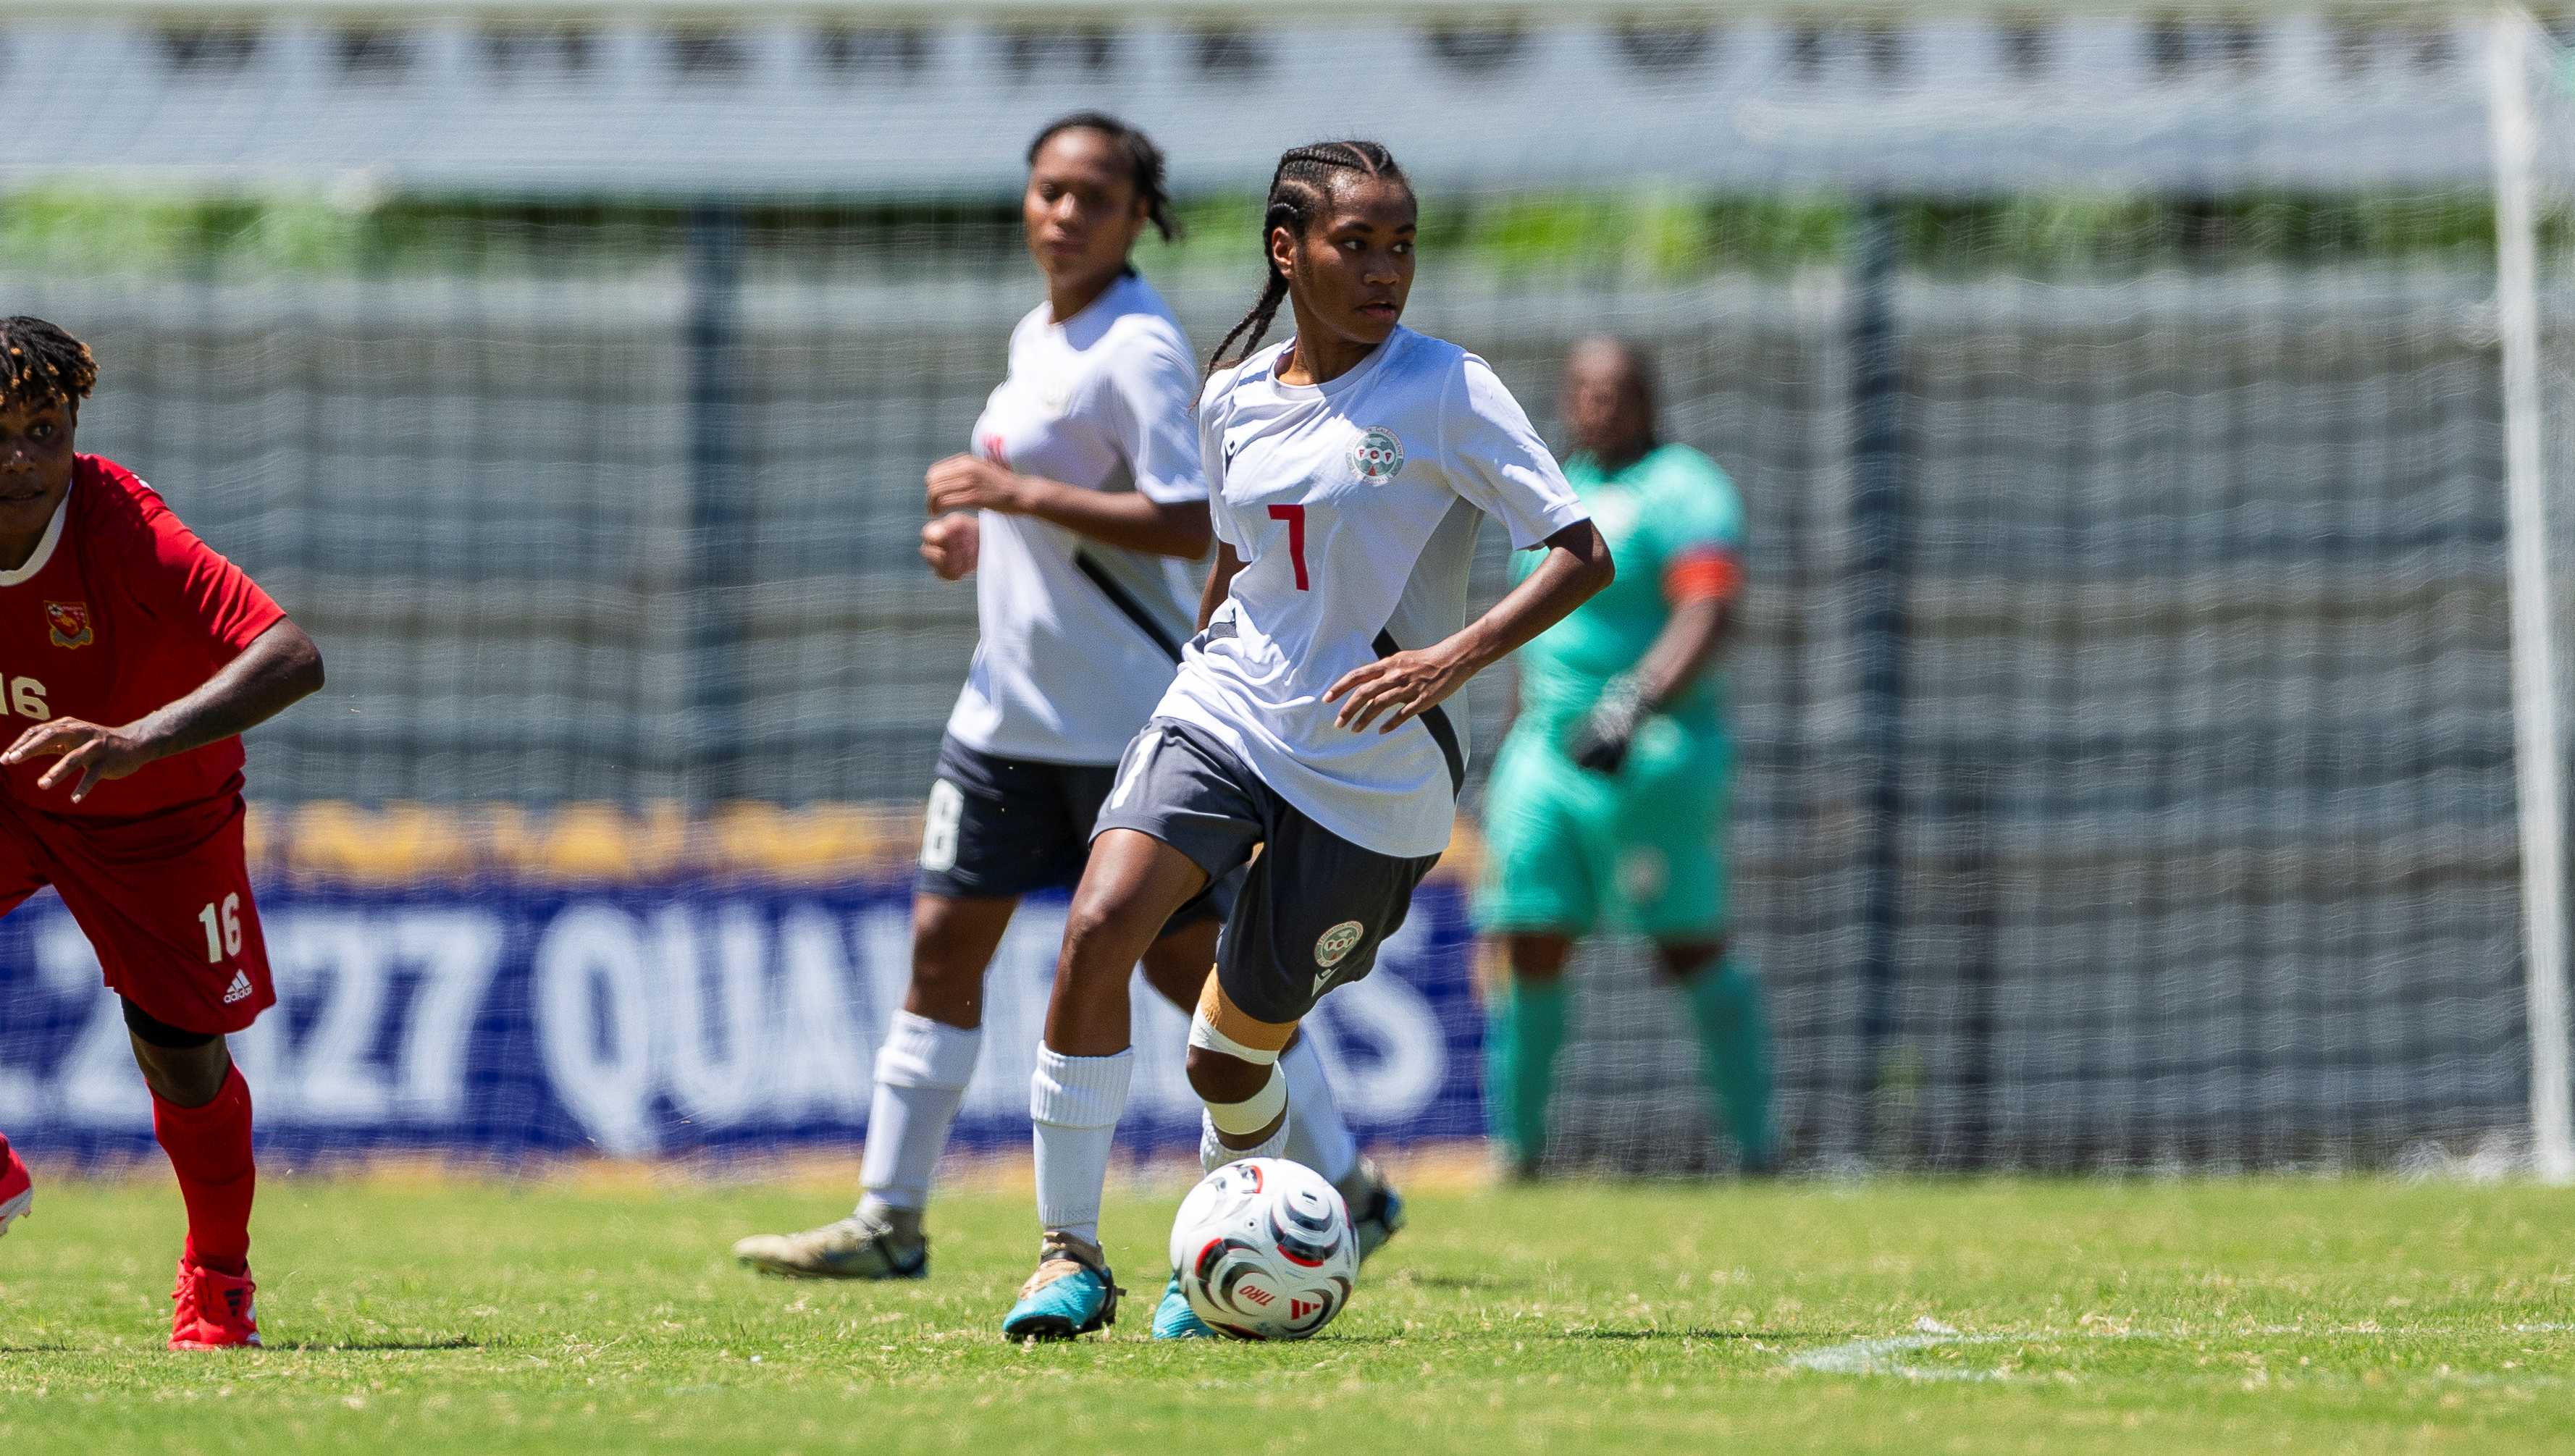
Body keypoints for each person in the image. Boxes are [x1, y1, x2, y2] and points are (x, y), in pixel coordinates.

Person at [732, 114, 1400, 1282]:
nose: (1064, 213)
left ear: (1142, 213)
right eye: (1048, 191)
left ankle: (1340, 1178)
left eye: (1094, 196)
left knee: (1190, 978)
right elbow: (1039, 514)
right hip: (1004, 717)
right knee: (942, 950)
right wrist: (974, 530)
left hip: (1121, 721)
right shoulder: (1041, 330)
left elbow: (1191, 517)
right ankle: (889, 1220)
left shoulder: (1136, 345)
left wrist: (1018, 493)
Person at [998, 140, 1614, 1341]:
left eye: (1402, 245)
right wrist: (1196, 664)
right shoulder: (1231, 393)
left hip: (1373, 773)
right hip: (1226, 712)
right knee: (1097, 925)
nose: (1386, 269)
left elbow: (1581, 551)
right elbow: (1232, 562)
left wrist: (1452, 657)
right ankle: (1067, 1256)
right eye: (1356, 243)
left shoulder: (1446, 388)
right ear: (1289, 250)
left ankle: (1223, 1245)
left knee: (1227, 1060)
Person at [0, 316, 327, 1349]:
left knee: (181, 1057)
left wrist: (139, 739)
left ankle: (218, 1275)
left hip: (157, 814)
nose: (22, 458)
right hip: (15, 787)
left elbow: (293, 654)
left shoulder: (124, 528)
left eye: (44, 428)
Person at [1474, 338, 1777, 1179]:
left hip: (1651, 747)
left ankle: (1758, 1150)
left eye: (1616, 391)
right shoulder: (1553, 488)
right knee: (1527, 935)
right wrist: (1509, 745)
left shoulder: (1686, 488)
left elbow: (1709, 609)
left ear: (1647, 396)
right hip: (1544, 751)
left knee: (1684, 944)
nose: (1598, 405)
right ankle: (1519, 1155)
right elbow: (1534, 629)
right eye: (1584, 390)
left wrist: (1632, 703)